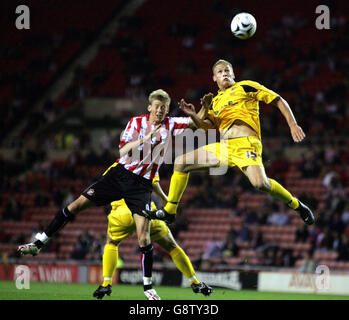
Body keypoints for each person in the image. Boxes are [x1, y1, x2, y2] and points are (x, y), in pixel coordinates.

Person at [18, 89, 207, 300]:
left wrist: (194, 112)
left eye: (164, 107)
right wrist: (146, 138)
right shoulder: (136, 123)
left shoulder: (172, 124)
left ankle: (148, 288)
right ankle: (38, 244)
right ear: (149, 107)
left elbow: (199, 124)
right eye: (157, 107)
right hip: (119, 175)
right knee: (76, 205)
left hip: (141, 185)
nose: (160, 111)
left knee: (143, 235)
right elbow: (123, 151)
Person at [142, 59, 315, 227]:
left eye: (227, 71)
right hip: (224, 147)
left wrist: (293, 124)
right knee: (181, 162)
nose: (224, 73)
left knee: (260, 184)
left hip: (246, 144)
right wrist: (194, 115)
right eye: (220, 72)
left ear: (233, 74)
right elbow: (206, 128)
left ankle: (297, 205)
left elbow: (278, 99)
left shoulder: (245, 86)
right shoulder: (215, 101)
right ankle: (170, 211)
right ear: (214, 78)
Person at [93, 176, 212, 299]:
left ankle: (106, 283)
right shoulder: (148, 163)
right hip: (146, 210)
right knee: (172, 246)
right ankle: (195, 282)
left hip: (122, 212)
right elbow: (155, 185)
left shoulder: (115, 168)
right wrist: (166, 202)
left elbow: (101, 189)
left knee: (111, 243)